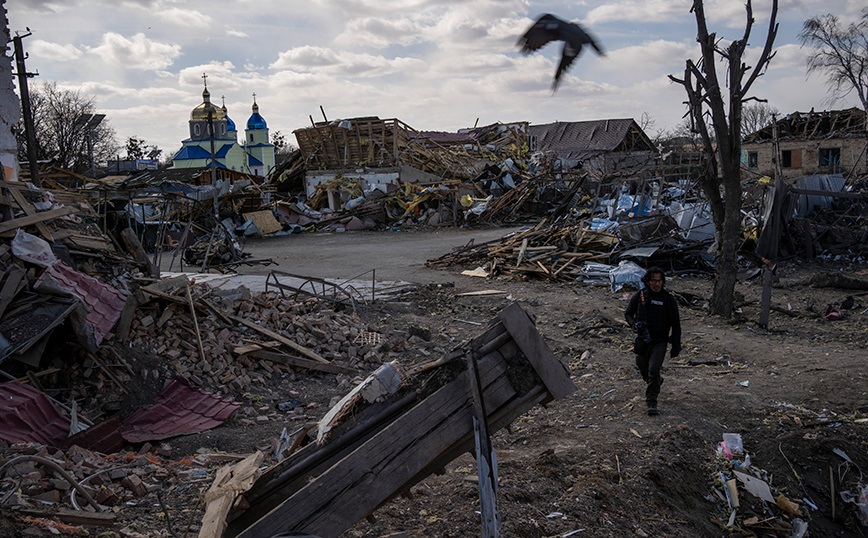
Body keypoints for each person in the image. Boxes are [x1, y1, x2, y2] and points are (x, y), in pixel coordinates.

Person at [624, 267, 681, 416]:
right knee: (644, 370)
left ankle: (651, 402)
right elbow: (628, 313)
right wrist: (633, 324)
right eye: (654, 281)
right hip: (643, 340)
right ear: (648, 282)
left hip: (660, 341)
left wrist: (676, 346)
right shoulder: (640, 296)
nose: (657, 284)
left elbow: (676, 324)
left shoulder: (668, 299)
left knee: (654, 369)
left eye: (659, 281)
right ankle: (656, 382)